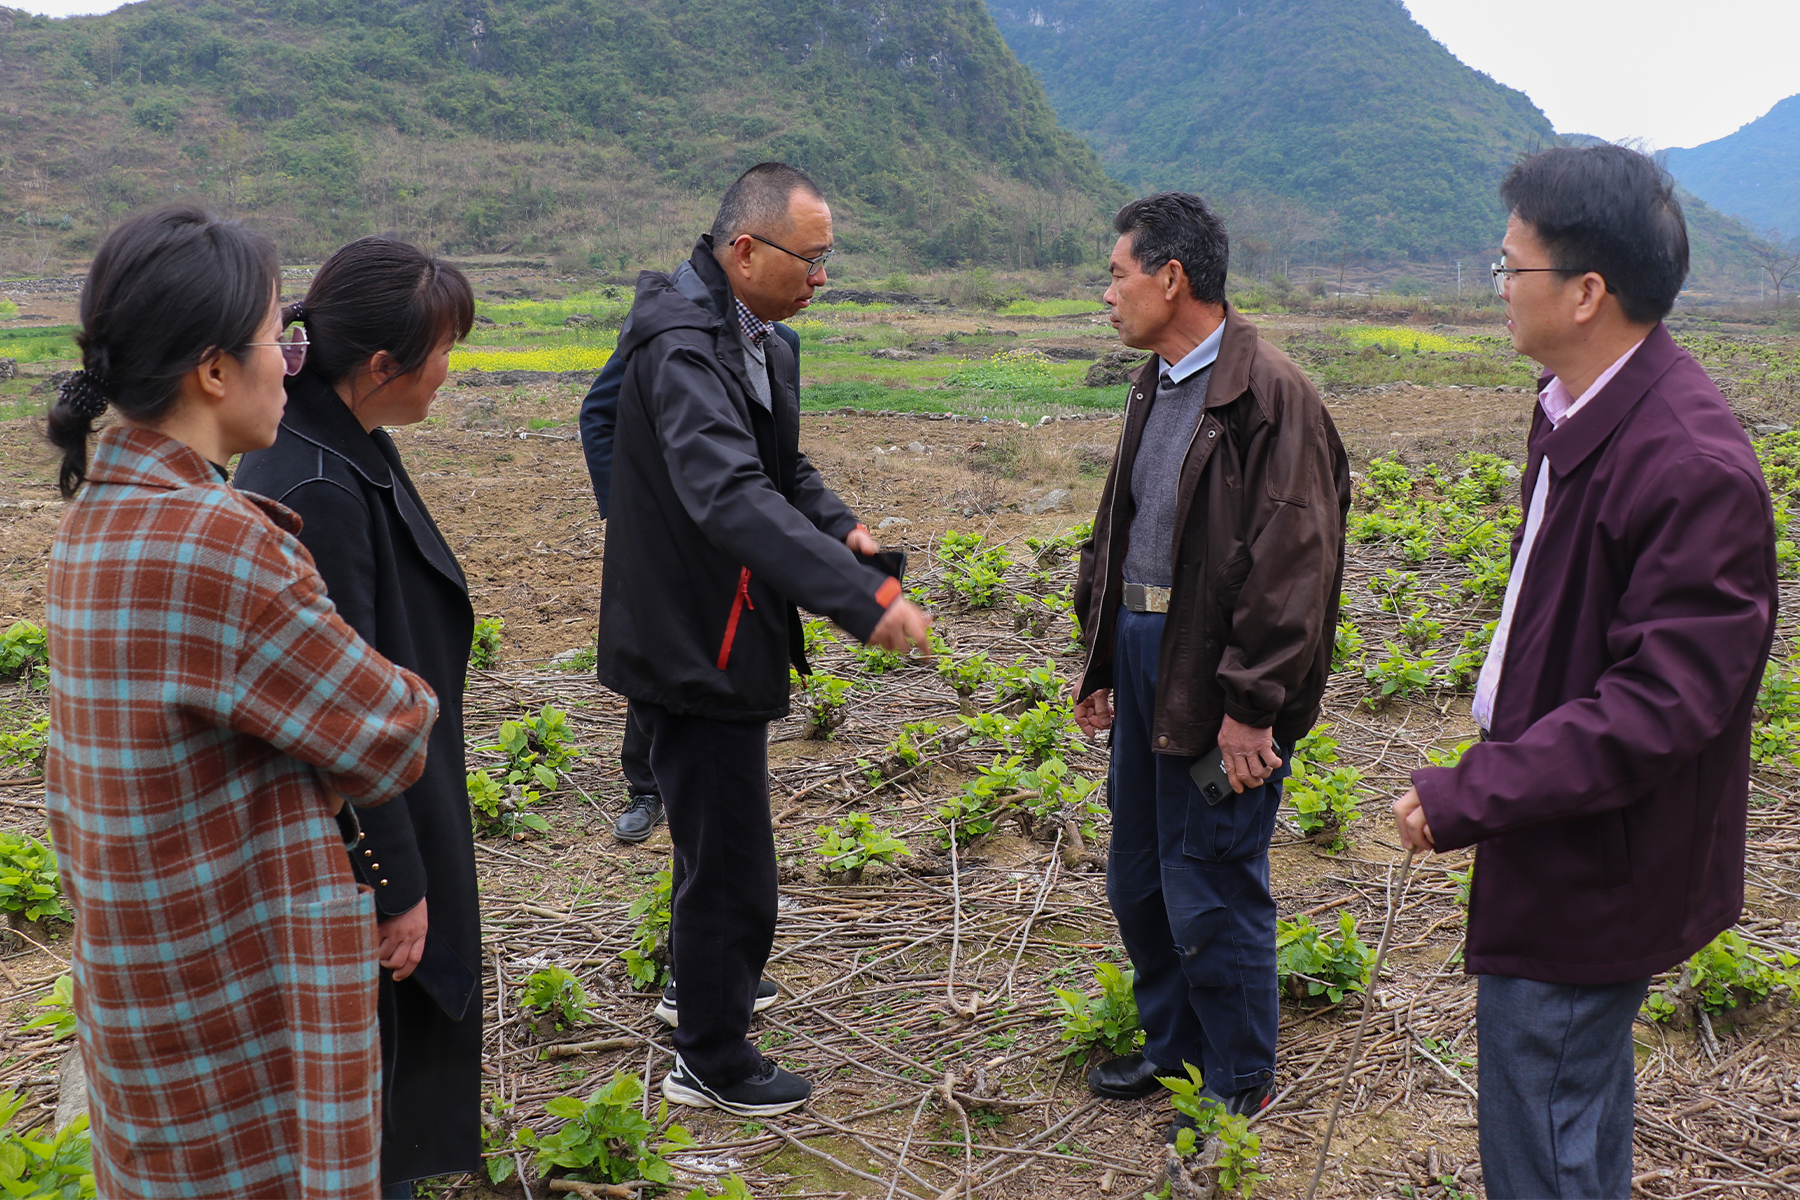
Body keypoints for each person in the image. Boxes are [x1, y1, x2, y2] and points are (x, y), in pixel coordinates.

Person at [1392, 145, 1776, 1199]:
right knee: (1567, 1105)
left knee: (1545, 1115)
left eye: (1511, 270)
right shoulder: (1579, 409)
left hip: (1594, 856)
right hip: (1556, 822)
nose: (1500, 290)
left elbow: (1656, 708)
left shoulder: (1686, 462)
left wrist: (1473, 791)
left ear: (1586, 292)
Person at [41, 206, 439, 1199]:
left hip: (145, 987)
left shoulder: (96, 517)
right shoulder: (222, 543)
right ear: (214, 371)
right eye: (279, 339)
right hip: (234, 996)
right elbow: (390, 732)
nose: (291, 364)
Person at [596, 161, 932, 1115]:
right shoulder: (680, 345)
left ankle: (698, 992)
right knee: (734, 862)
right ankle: (711, 1054)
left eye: (830, 259)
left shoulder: (763, 342)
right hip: (693, 634)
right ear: (744, 250)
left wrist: (839, 527)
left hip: (730, 619)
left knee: (711, 842)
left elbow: (780, 469)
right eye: (810, 259)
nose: (822, 277)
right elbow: (727, 493)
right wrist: (860, 600)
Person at [1070, 193, 1350, 1145]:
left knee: (1212, 877)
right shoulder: (1155, 381)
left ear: (1171, 279)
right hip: (1149, 654)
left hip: (1218, 678)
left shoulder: (1270, 397)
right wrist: (1104, 657)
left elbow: (1292, 572)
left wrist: (1251, 707)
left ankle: (1240, 1074)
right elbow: (1126, 529)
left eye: (1117, 274)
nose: (1108, 293)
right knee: (1139, 871)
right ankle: (1174, 1045)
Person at [235, 237, 482, 1198]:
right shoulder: (315, 488)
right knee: (369, 1069)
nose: (448, 373)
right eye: (443, 351)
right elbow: (336, 715)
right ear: (382, 366)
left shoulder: (341, 442)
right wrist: (397, 883)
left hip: (405, 796)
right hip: (364, 838)